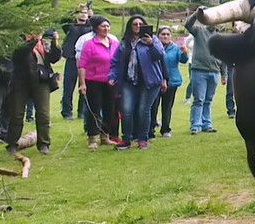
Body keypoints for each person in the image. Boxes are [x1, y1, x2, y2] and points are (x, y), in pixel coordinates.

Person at [109, 15, 166, 150]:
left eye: (141, 24)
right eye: (135, 24)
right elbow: (115, 61)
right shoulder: (124, 43)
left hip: (149, 82)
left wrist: (151, 43)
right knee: (126, 110)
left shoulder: (153, 40)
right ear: (130, 26)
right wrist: (112, 76)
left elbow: (160, 55)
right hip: (129, 81)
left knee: (143, 110)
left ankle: (142, 139)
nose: (138, 26)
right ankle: (126, 139)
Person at [4, 29, 61, 156]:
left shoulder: (43, 41)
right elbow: (19, 54)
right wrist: (33, 40)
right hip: (20, 82)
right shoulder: (19, 38)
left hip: (41, 81)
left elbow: (54, 58)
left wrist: (55, 42)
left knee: (43, 114)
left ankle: (44, 144)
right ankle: (12, 143)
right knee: (17, 114)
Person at [78, 15, 119, 149]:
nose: (106, 28)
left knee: (110, 109)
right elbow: (82, 65)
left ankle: (105, 136)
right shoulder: (89, 44)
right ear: (96, 28)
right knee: (94, 110)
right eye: (103, 26)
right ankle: (93, 138)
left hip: (110, 81)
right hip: (93, 81)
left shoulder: (114, 43)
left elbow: (119, 62)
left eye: (107, 26)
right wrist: (82, 83)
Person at [183, 11, 225, 134]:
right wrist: (196, 14)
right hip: (199, 71)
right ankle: (195, 125)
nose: (214, 23)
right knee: (199, 100)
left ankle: (207, 124)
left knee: (208, 100)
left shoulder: (219, 37)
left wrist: (224, 74)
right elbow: (187, 25)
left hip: (215, 72)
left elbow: (222, 58)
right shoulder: (199, 31)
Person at [148, 26, 188, 138]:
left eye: (168, 34)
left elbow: (183, 61)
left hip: (172, 81)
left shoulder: (175, 48)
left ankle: (165, 129)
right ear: (158, 36)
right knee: (153, 106)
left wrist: (184, 52)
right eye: (163, 34)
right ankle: (150, 129)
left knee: (167, 107)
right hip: (155, 80)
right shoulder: (153, 47)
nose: (165, 36)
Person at [60, 4, 94, 119]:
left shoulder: (90, 27)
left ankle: (82, 111)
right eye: (81, 12)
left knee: (84, 86)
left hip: (86, 61)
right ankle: (66, 112)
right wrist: (74, 11)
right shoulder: (70, 26)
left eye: (85, 12)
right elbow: (63, 20)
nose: (83, 14)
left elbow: (95, 21)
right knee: (68, 87)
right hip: (71, 58)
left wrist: (90, 14)